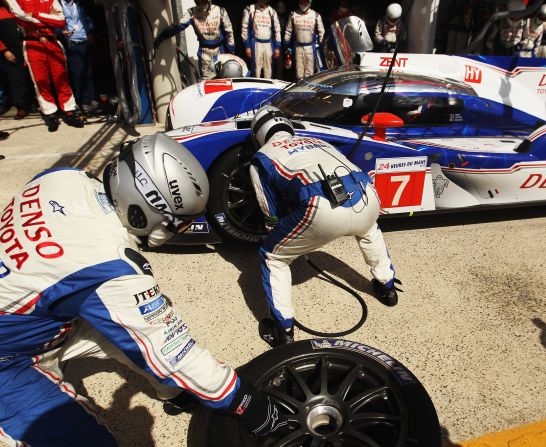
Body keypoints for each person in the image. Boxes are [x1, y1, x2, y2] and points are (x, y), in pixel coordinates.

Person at [0, 134, 288, 445]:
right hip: (9, 358)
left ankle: (176, 392)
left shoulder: (63, 177)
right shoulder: (109, 265)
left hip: (26, 315)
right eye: (178, 223)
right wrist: (251, 405)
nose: (178, 231)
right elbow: (174, 353)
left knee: (134, 326)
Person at [248, 106, 401, 348]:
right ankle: (387, 288)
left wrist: (279, 233)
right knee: (369, 230)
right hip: (366, 193)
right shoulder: (317, 140)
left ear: (259, 133)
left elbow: (269, 209)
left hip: (321, 205)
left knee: (272, 256)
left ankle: (283, 329)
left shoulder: (262, 157)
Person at [5, 0, 84, 131]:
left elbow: (60, 20)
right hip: (32, 44)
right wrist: (47, 18)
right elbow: (19, 17)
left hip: (53, 42)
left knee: (62, 79)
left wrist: (35, 14)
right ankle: (50, 114)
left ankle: (69, 112)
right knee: (41, 82)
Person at [154, 0, 235, 81]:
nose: (199, 2)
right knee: (207, 82)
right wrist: (162, 37)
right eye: (197, 0)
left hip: (220, 51)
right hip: (204, 53)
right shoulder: (192, 12)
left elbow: (229, 32)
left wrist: (230, 52)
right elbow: (177, 26)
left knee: (225, 79)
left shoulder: (220, 11)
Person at [58, 0, 97, 113]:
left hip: (83, 40)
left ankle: (90, 97)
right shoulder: (58, 5)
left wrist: (90, 32)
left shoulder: (79, 4)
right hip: (71, 42)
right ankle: (81, 100)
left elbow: (87, 19)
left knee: (88, 72)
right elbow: (55, 24)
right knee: (77, 73)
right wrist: (61, 32)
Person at [0, 4, 33, 119]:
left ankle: (33, 104)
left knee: (31, 76)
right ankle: (21, 107)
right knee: (16, 79)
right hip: (11, 50)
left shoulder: (16, 7)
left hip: (27, 46)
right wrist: (4, 50)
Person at [283, 0, 324, 80]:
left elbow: (322, 32)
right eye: (301, 1)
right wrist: (286, 45)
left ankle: (308, 91)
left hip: (310, 48)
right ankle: (299, 91)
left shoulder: (315, 15)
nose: (303, 4)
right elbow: (288, 31)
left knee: (310, 74)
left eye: (305, 2)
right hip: (298, 47)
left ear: (309, 2)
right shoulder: (293, 14)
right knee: (299, 74)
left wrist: (319, 45)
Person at [241, 0, 281, 79]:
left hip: (268, 44)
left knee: (269, 70)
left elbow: (277, 30)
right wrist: (247, 46)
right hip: (256, 43)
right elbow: (244, 28)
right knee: (256, 71)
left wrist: (277, 47)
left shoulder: (272, 11)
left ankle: (268, 90)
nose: (264, 3)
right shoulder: (250, 9)